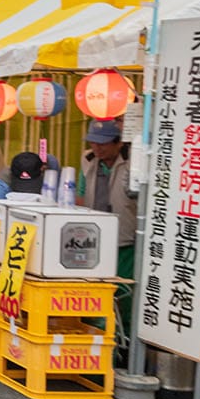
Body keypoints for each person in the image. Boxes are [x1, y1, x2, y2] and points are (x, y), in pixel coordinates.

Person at [78, 119, 137, 279]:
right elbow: (81, 193)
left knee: (123, 288)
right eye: (93, 142)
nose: (96, 148)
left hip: (124, 241)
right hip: (92, 239)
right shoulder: (88, 159)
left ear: (119, 143)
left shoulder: (134, 162)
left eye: (103, 143)